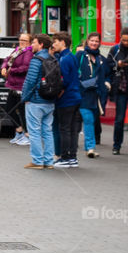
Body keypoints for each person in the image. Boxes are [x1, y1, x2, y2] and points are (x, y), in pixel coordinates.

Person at [20, 33, 57, 169]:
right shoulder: (53, 59)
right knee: (47, 131)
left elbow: (30, 81)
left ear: (41, 44)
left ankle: (37, 161)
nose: (31, 45)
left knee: (34, 131)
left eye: (34, 43)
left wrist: (24, 98)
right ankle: (49, 161)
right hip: (50, 100)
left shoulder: (37, 60)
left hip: (36, 100)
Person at [105, 29, 128, 158]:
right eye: (123, 40)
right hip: (120, 88)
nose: (125, 42)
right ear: (120, 38)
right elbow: (108, 65)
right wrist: (117, 65)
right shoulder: (114, 50)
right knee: (119, 119)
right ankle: (116, 146)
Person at [76, 33, 109, 159]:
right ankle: (90, 147)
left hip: (97, 96)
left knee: (93, 121)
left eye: (96, 41)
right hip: (83, 94)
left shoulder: (101, 58)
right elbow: (73, 72)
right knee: (88, 119)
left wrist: (108, 83)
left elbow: (108, 73)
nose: (94, 43)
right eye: (92, 41)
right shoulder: (80, 55)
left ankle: (90, 147)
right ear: (87, 41)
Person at [52, 32, 82, 168]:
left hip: (66, 99)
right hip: (76, 97)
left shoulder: (64, 59)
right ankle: (73, 157)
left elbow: (63, 80)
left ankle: (64, 157)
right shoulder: (73, 57)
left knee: (64, 129)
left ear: (63, 43)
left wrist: (57, 92)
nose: (53, 44)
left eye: (56, 42)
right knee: (73, 129)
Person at [2, 32, 32, 146]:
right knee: (9, 109)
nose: (22, 42)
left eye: (25, 40)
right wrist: (4, 67)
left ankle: (27, 135)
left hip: (21, 86)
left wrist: (11, 71)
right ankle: (19, 130)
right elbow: (7, 60)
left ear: (29, 42)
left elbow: (25, 67)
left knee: (23, 111)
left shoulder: (28, 52)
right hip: (12, 85)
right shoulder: (17, 50)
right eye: (21, 40)